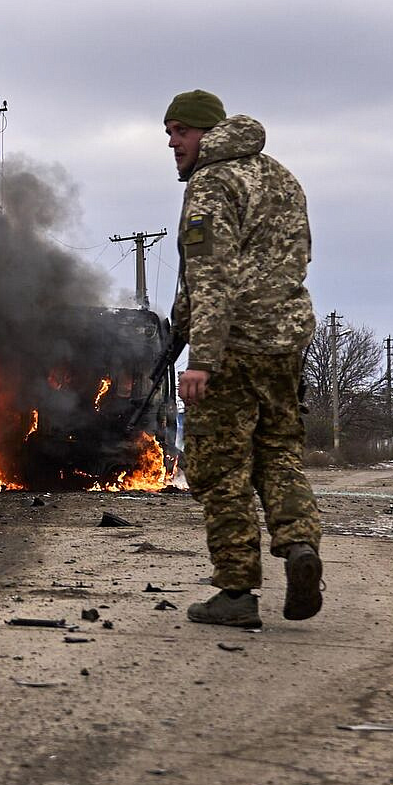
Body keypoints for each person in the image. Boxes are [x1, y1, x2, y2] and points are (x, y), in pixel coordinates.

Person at [163, 88, 324, 629]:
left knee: (220, 468)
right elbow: (297, 258)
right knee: (278, 453)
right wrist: (177, 328)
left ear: (208, 132)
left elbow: (211, 276)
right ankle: (299, 545)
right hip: (285, 345)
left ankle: (236, 592)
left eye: (182, 131)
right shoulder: (281, 177)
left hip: (231, 348)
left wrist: (201, 358)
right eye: (169, 132)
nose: (173, 142)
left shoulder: (213, 182)